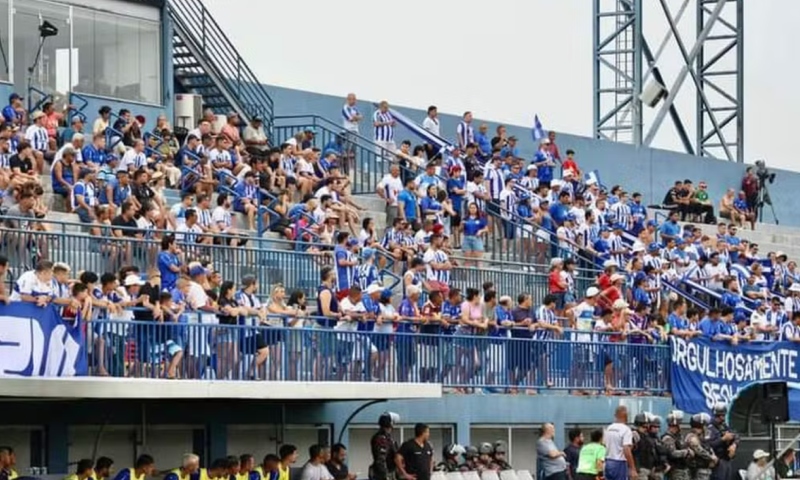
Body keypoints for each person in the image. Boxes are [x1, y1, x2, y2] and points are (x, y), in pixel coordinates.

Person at [707, 403, 738, 480]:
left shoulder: (724, 426)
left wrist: (734, 445)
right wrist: (722, 439)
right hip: (718, 460)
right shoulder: (710, 428)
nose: (722, 418)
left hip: (727, 458)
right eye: (720, 416)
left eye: (723, 415)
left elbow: (736, 436)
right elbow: (709, 445)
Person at [604, 406, 636, 480]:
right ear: (626, 416)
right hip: (619, 463)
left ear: (615, 415)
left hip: (608, 462)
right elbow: (626, 449)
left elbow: (604, 445)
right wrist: (632, 468)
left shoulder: (609, 428)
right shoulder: (626, 430)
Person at [685, 413, 717, 480]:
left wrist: (713, 456)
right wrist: (711, 458)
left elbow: (708, 447)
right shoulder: (692, 437)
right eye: (705, 426)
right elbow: (700, 451)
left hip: (705, 468)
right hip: (697, 470)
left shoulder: (701, 437)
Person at [661, 411, 692, 480]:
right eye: (679, 424)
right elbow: (672, 453)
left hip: (683, 468)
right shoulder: (667, 438)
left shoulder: (678, 436)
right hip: (676, 470)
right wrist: (686, 452)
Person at [369, 412, 399, 480]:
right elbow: (381, 459)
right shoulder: (381, 438)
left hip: (389, 472)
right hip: (384, 474)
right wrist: (386, 476)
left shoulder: (388, 438)